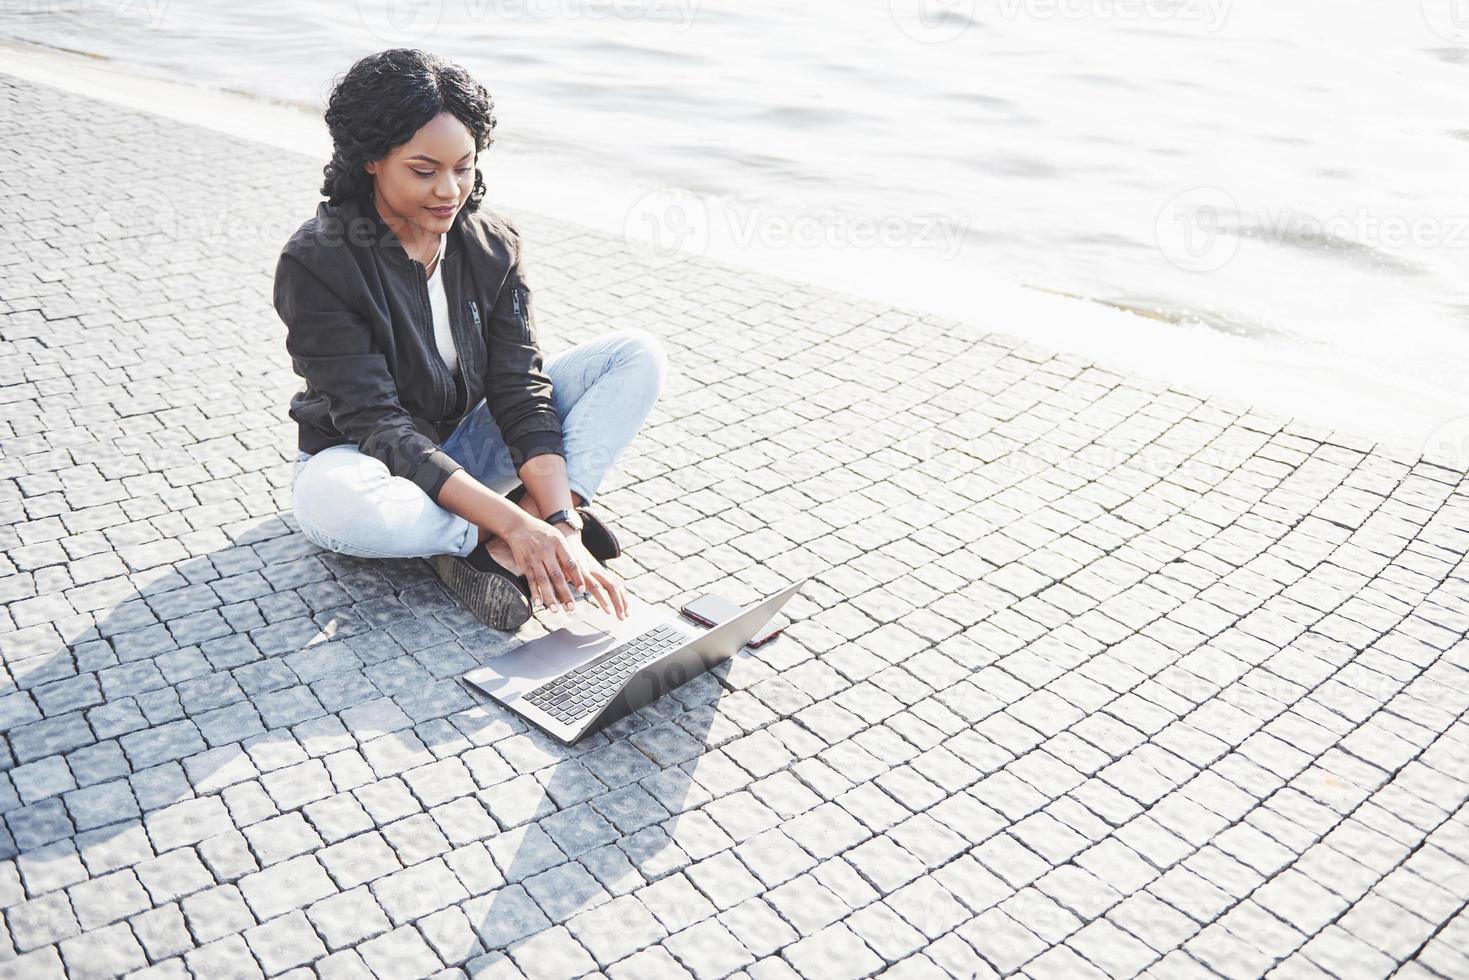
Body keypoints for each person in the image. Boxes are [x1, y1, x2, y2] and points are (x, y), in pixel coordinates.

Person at [274, 49, 666, 632]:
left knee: (633, 355)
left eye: (464, 166)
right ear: (372, 162)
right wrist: (514, 522)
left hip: (466, 444)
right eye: (424, 170)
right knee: (332, 508)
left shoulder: (491, 244)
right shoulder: (319, 259)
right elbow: (378, 424)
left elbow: (519, 387)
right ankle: (497, 532)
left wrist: (557, 519)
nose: (449, 190)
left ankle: (517, 534)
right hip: (364, 459)